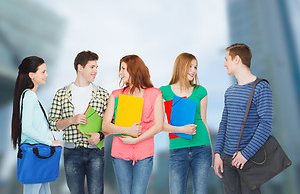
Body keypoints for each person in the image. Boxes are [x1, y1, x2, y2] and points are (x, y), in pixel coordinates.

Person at [214, 43, 273, 194]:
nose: (224, 63)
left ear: (237, 60)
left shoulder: (261, 87)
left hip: (249, 160)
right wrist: (218, 154)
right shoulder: (229, 91)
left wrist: (245, 154)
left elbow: (265, 125)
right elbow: (224, 124)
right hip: (227, 161)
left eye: (227, 59)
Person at [48, 51, 109, 194]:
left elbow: (111, 123)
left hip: (96, 151)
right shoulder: (61, 94)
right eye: (92, 67)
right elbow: (53, 124)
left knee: (97, 192)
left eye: (96, 67)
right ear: (80, 67)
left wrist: (100, 135)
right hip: (72, 152)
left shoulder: (103, 94)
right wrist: (72, 120)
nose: (96, 71)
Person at [102, 54, 164, 194]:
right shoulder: (116, 95)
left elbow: (159, 125)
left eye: (123, 68)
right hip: (120, 152)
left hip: (144, 152)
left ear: (134, 69)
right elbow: (105, 126)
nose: (120, 73)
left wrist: (136, 139)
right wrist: (128, 129)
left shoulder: (155, 94)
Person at [160, 53, 213, 194]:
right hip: (178, 149)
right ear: (180, 66)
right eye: (190, 66)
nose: (194, 70)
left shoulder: (201, 91)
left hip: (202, 147)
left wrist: (212, 151)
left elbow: (204, 121)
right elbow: (158, 124)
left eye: (195, 67)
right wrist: (181, 129)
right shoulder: (163, 92)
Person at [11, 56, 63, 194]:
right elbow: (27, 128)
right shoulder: (28, 96)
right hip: (35, 155)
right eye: (43, 71)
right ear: (32, 75)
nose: (46, 75)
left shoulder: (33, 97)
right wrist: (50, 142)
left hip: (40, 155)